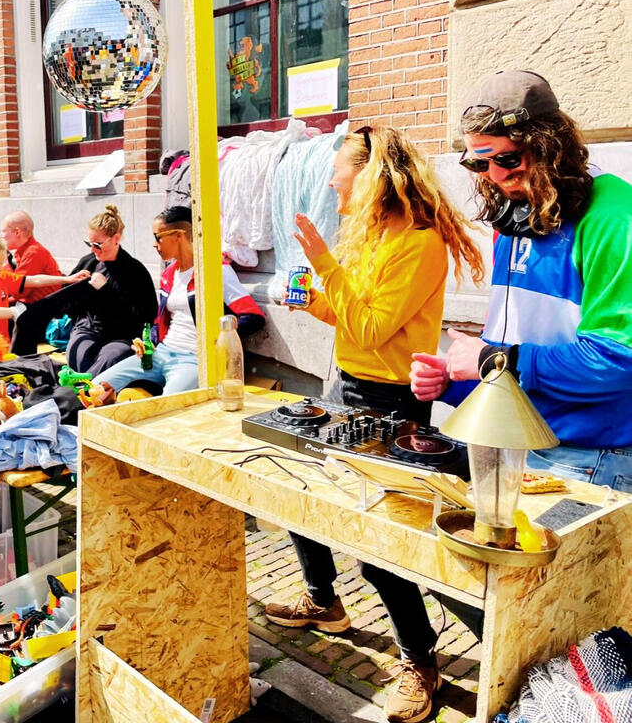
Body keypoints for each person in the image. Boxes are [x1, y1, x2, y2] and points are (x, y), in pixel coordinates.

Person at [265, 126, 485, 723]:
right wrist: (309, 296)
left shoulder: (420, 243)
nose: (333, 188)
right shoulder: (370, 235)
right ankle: (322, 601)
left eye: (340, 178)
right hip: (344, 386)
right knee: (301, 496)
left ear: (373, 178)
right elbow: (348, 317)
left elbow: (370, 329)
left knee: (378, 551)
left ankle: (421, 660)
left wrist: (323, 263)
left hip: (391, 403)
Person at [410, 69, 632, 491]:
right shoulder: (513, 220)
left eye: (508, 159)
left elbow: (621, 360)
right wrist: (455, 380)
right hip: (513, 442)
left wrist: (496, 360)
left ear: (550, 146)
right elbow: (511, 353)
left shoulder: (615, 217)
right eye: (479, 162)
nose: (495, 175)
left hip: (589, 457)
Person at [95, 205, 265, 395]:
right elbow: (161, 321)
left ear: (179, 235)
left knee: (168, 406)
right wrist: (148, 341)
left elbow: (253, 316)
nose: (154, 244)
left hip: (194, 360)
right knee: (95, 389)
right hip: (160, 354)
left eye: (158, 237)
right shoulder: (169, 274)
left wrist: (221, 339)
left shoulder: (215, 271)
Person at [64, 204, 158, 378]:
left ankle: (83, 390)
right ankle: (81, 388)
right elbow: (68, 306)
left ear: (116, 238)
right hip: (89, 327)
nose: (93, 249)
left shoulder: (134, 271)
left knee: (110, 358)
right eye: (89, 244)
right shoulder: (88, 262)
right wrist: (73, 286)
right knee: (79, 354)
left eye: (97, 244)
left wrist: (105, 291)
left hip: (122, 334)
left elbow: (142, 317)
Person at [0, 227, 89, 351]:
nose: (0, 268)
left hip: (2, 343)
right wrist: (17, 311)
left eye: (2, 264)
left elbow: (34, 280)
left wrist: (68, 279)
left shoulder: (1, 277)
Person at [0, 211, 62, 302]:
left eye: (3, 231)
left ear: (17, 232)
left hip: (39, 309)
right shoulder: (25, 250)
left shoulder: (33, 252)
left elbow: (18, 291)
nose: (1, 236)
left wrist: (3, 262)